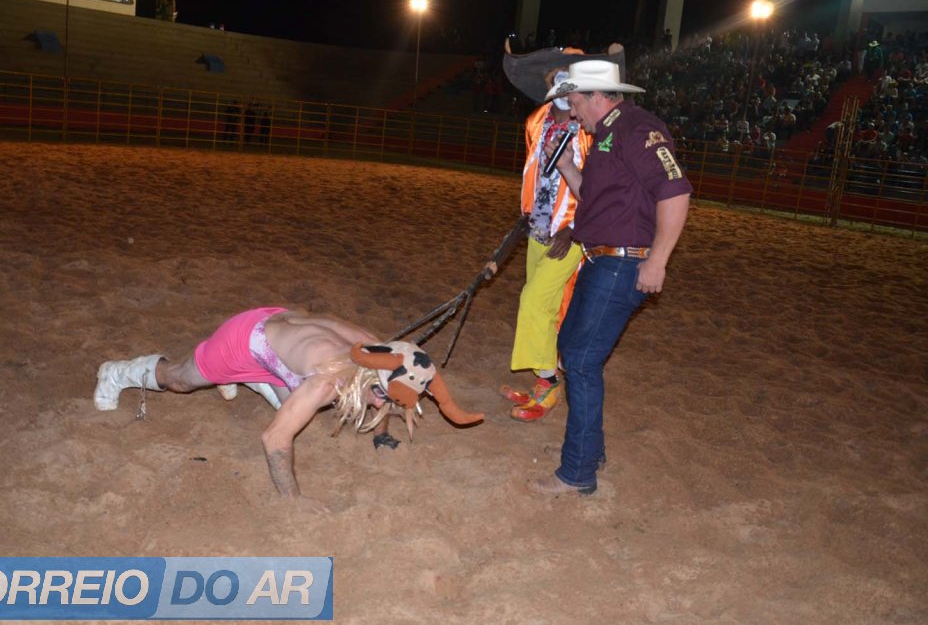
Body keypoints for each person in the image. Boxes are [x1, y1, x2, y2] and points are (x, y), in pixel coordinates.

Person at [93, 308, 483, 508]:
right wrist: (294, 501)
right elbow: (274, 439)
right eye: (381, 396)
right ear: (368, 379)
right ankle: (118, 372)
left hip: (284, 325)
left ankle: (254, 376)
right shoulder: (329, 381)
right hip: (244, 339)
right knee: (181, 379)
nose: (383, 404)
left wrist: (382, 437)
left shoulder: (379, 351)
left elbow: (387, 397)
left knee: (293, 401)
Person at [529, 59, 693, 496]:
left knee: (581, 359)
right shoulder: (605, 135)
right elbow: (594, 197)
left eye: (573, 102)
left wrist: (658, 259)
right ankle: (588, 451)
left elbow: (675, 190)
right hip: (601, 259)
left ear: (595, 96)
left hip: (622, 262)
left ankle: (578, 471)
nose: (571, 111)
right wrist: (567, 165)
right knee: (573, 350)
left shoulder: (637, 129)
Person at [500, 41, 626, 422]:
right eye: (553, 76)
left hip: (571, 231)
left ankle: (548, 383)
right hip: (538, 227)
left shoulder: (591, 129)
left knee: (534, 300)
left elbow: (601, 184)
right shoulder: (536, 122)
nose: (559, 83)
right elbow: (536, 173)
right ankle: (544, 378)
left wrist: (574, 227)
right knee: (549, 306)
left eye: (567, 76)